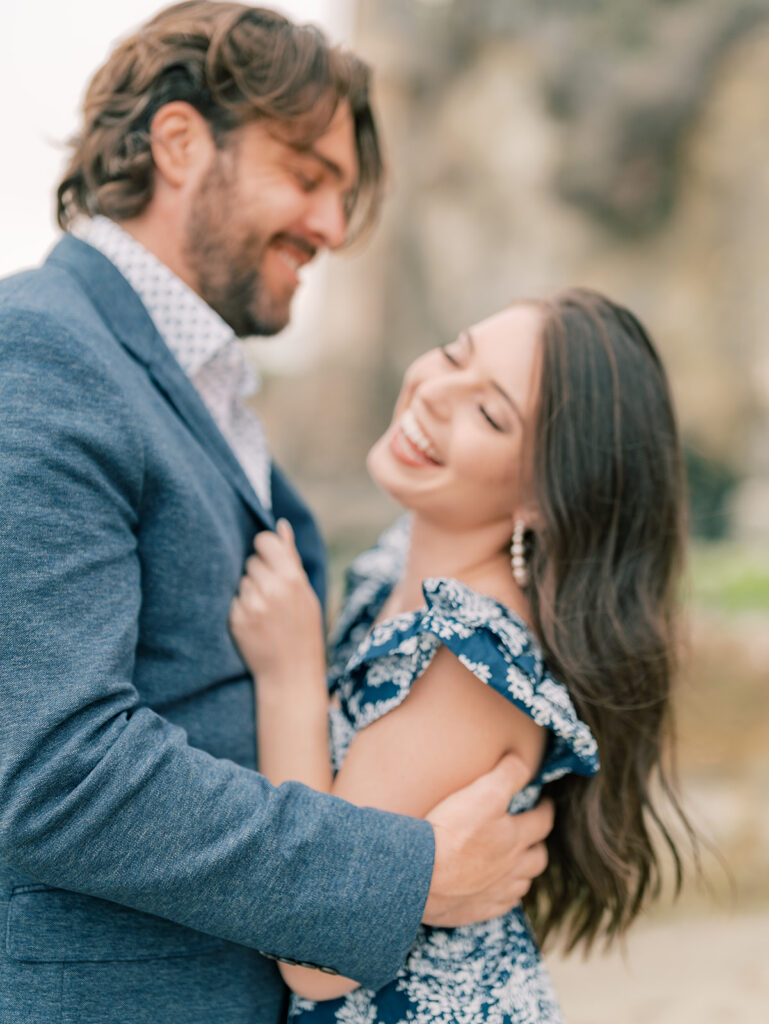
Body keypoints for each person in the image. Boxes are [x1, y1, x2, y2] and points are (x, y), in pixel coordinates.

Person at [0, 5, 554, 1024]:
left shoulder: (209, 392)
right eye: (306, 176)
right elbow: (52, 770)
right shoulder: (40, 350)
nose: (333, 228)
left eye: (342, 195)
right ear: (178, 142)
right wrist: (405, 871)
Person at [230, 289, 696, 1023]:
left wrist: (287, 674)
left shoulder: (466, 655)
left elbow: (316, 955)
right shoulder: (397, 565)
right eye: (453, 354)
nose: (435, 393)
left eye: (489, 413)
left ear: (543, 497)